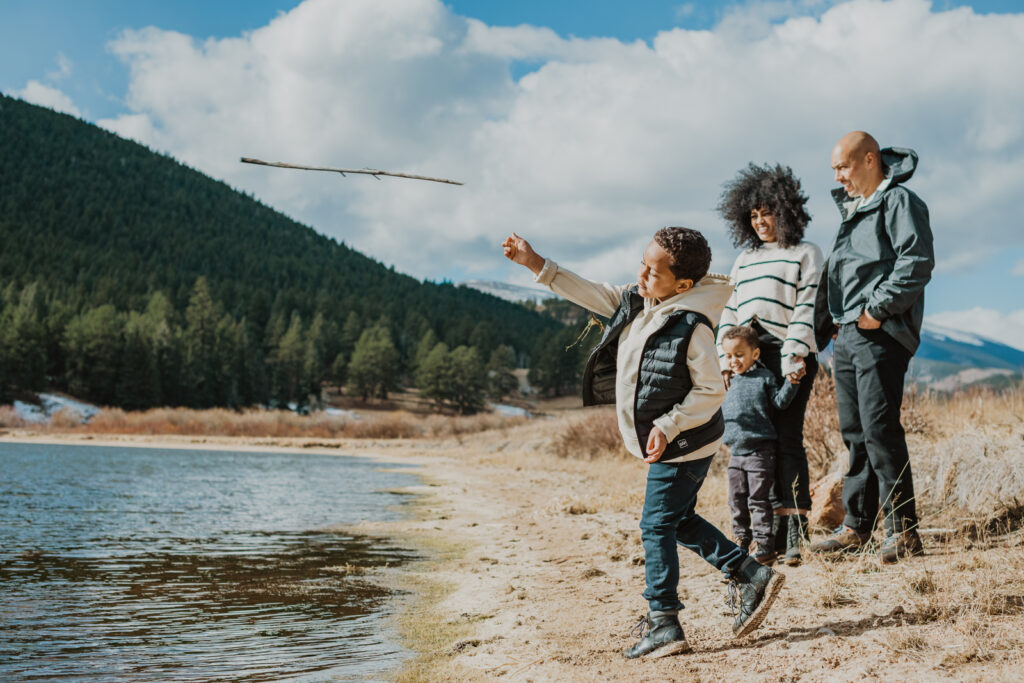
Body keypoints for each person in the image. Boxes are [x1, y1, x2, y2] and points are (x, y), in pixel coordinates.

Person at [502, 227, 785, 659]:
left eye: (653, 272)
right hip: (674, 441)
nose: (642, 275)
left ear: (683, 285)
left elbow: (711, 390)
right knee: (679, 519)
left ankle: (664, 622)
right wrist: (535, 263)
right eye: (642, 264)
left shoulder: (693, 325)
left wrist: (669, 425)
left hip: (686, 443)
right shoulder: (638, 301)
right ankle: (748, 573)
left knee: (655, 525)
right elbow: (588, 291)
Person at [808, 131, 934, 563]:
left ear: (868, 159)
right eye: (834, 170)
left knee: (880, 430)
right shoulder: (853, 210)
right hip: (849, 335)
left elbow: (915, 262)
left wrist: (876, 311)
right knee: (855, 434)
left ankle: (903, 530)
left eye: (843, 167)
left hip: (880, 332)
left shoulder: (899, 201)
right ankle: (857, 527)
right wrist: (829, 328)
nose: (838, 177)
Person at [716, 163, 823, 566]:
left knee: (788, 440)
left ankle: (796, 528)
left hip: (789, 354)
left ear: (787, 210)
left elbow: (806, 307)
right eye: (754, 216)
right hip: (749, 358)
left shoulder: (806, 253)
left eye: (768, 212)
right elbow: (730, 307)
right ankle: (769, 533)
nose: (761, 222)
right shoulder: (745, 258)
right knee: (762, 443)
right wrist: (725, 357)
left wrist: (793, 355)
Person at [720, 325, 800, 565]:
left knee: (758, 499)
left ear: (755, 354)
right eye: (729, 356)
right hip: (735, 452)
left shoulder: (764, 377)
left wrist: (792, 382)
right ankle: (742, 540)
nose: (734, 361)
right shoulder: (728, 380)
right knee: (736, 499)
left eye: (739, 354)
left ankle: (765, 545)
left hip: (760, 451)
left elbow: (779, 403)